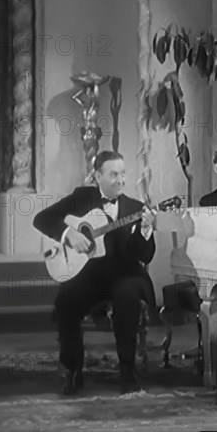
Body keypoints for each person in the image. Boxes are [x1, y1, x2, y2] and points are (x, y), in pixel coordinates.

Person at [33, 151, 157, 395]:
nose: (120, 180)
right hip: (89, 276)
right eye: (113, 174)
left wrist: (145, 230)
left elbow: (146, 256)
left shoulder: (137, 208)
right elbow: (42, 219)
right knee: (66, 299)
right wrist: (70, 235)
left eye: (123, 174)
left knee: (127, 296)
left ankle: (127, 372)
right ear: (97, 176)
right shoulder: (81, 198)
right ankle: (72, 369)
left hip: (124, 274)